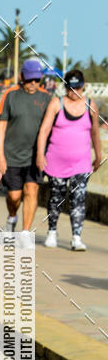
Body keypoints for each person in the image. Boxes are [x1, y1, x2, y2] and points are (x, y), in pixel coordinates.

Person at [36, 69, 101, 251]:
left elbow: (95, 132)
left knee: (78, 199)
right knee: (56, 196)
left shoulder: (90, 105)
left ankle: (76, 237)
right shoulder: (56, 103)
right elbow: (44, 130)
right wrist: (40, 155)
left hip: (81, 162)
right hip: (56, 161)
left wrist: (99, 155)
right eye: (70, 89)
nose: (74, 92)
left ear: (83, 87)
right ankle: (52, 232)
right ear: (65, 88)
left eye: (77, 88)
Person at [0, 58, 50, 234]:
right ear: (21, 77)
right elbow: (1, 125)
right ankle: (12, 217)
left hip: (35, 156)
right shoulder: (10, 95)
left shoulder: (47, 98)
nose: (33, 83)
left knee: (31, 191)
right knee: (14, 196)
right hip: (11, 155)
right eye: (29, 79)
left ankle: (26, 232)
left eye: (37, 79)